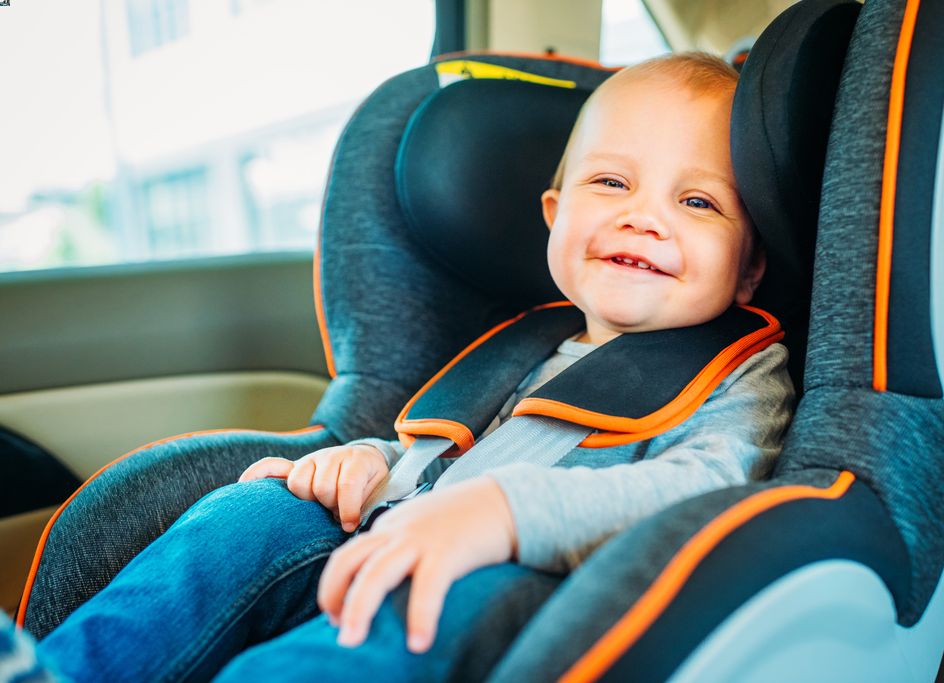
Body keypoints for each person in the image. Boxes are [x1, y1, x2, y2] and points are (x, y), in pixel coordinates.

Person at [35, 51, 794, 682]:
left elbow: (711, 488)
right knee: (248, 514)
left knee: (421, 613)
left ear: (751, 267)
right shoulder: (529, 342)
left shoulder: (742, 371)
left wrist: (503, 513)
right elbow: (447, 460)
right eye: (611, 182)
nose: (644, 215)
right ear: (554, 215)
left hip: (524, 584)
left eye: (697, 201)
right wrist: (370, 461)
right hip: (390, 527)